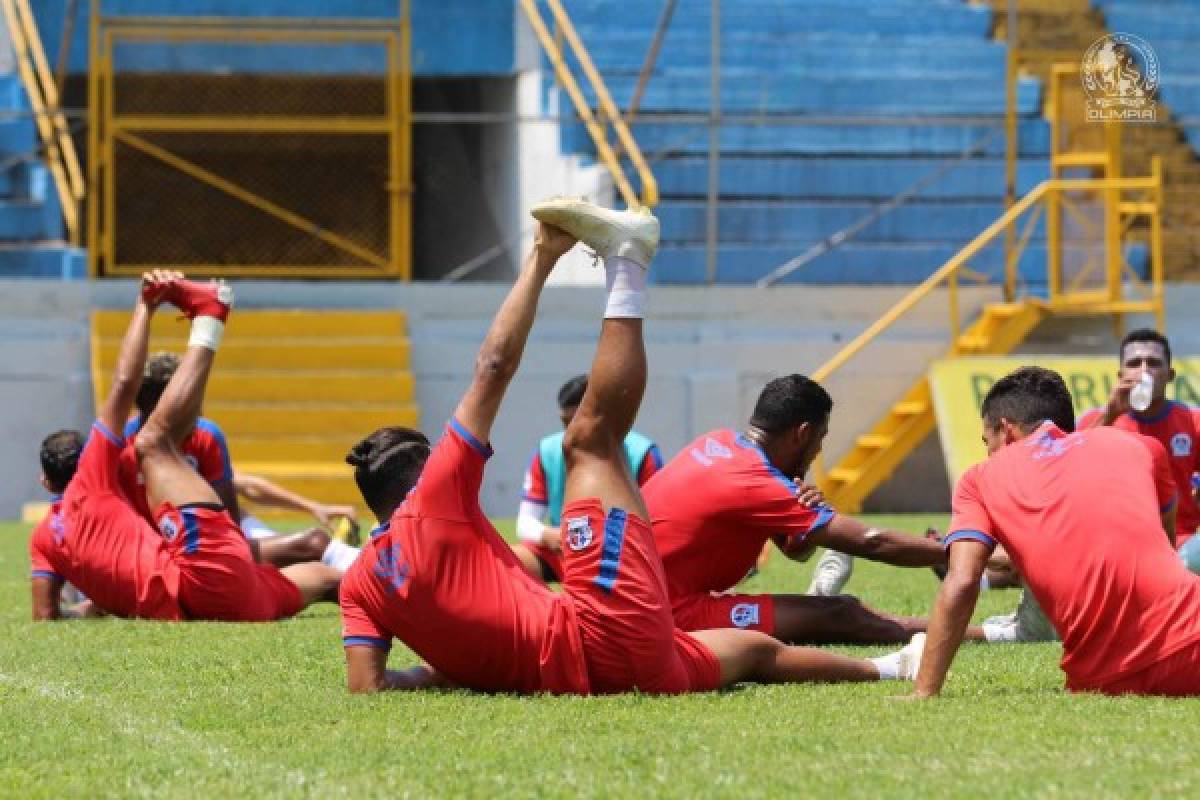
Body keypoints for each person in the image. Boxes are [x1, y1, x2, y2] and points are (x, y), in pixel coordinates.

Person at [338, 198, 924, 693]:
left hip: (626, 663)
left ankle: (892, 666)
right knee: (590, 442)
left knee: (752, 650)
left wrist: (449, 670)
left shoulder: (360, 583)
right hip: (607, 631)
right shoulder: (436, 495)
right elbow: (492, 367)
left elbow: (369, 687)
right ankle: (629, 259)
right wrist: (542, 256)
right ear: (422, 476)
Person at [30, 271, 340, 621]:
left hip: (211, 592)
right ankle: (211, 315)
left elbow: (45, 613)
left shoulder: (43, 538)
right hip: (206, 572)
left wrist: (96, 604)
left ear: (46, 483)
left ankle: (375, 579)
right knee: (152, 443)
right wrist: (145, 305)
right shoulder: (100, 472)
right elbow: (124, 383)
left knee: (325, 576)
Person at [911, 366, 1200, 698]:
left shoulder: (979, 479)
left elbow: (962, 580)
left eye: (987, 442)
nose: (988, 453)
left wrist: (924, 692)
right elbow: (1164, 541)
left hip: (1111, 677)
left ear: (1006, 432)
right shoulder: (1139, 446)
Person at [643, 375, 986, 645]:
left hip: (642, 596)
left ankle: (812, 600)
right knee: (841, 614)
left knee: (821, 612)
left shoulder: (718, 441)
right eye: (820, 441)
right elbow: (872, 542)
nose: (817, 453)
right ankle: (1000, 633)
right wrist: (968, 554)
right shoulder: (756, 480)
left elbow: (795, 551)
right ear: (802, 434)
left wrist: (806, 508)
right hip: (667, 613)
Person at [122, 351, 361, 571]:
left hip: (213, 544)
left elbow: (240, 494)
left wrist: (313, 507)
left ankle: (362, 565)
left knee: (310, 546)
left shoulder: (204, 437)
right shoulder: (121, 446)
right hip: (162, 550)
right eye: (192, 396)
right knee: (310, 548)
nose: (200, 407)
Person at [513, 373, 663, 581]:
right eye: (566, 422)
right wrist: (551, 537)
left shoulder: (642, 454)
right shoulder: (547, 451)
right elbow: (525, 523)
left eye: (580, 421)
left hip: (622, 558)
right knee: (506, 564)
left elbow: (659, 527)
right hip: (563, 552)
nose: (572, 431)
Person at [1079, 328, 1200, 553]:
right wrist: (1110, 414)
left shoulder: (1193, 422)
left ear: (1170, 374)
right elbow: (1070, 472)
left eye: (1153, 363)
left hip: (1179, 540)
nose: (1144, 371)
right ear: (1121, 375)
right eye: (1134, 363)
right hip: (1117, 541)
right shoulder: (1096, 421)